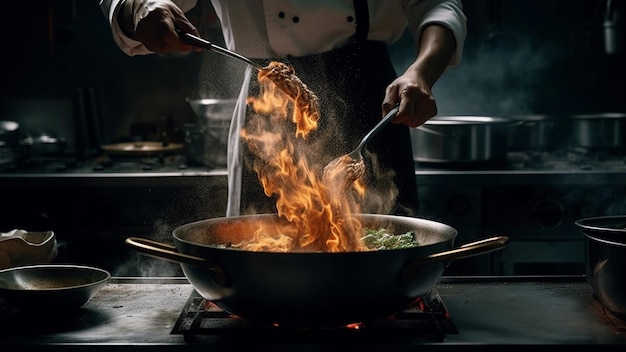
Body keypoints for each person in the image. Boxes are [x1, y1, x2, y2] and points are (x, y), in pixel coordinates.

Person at [99, 0, 467, 218]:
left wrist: (421, 73)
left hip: (371, 97)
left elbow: (438, 4)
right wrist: (143, 8)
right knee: (258, 250)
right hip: (266, 102)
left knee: (386, 252)